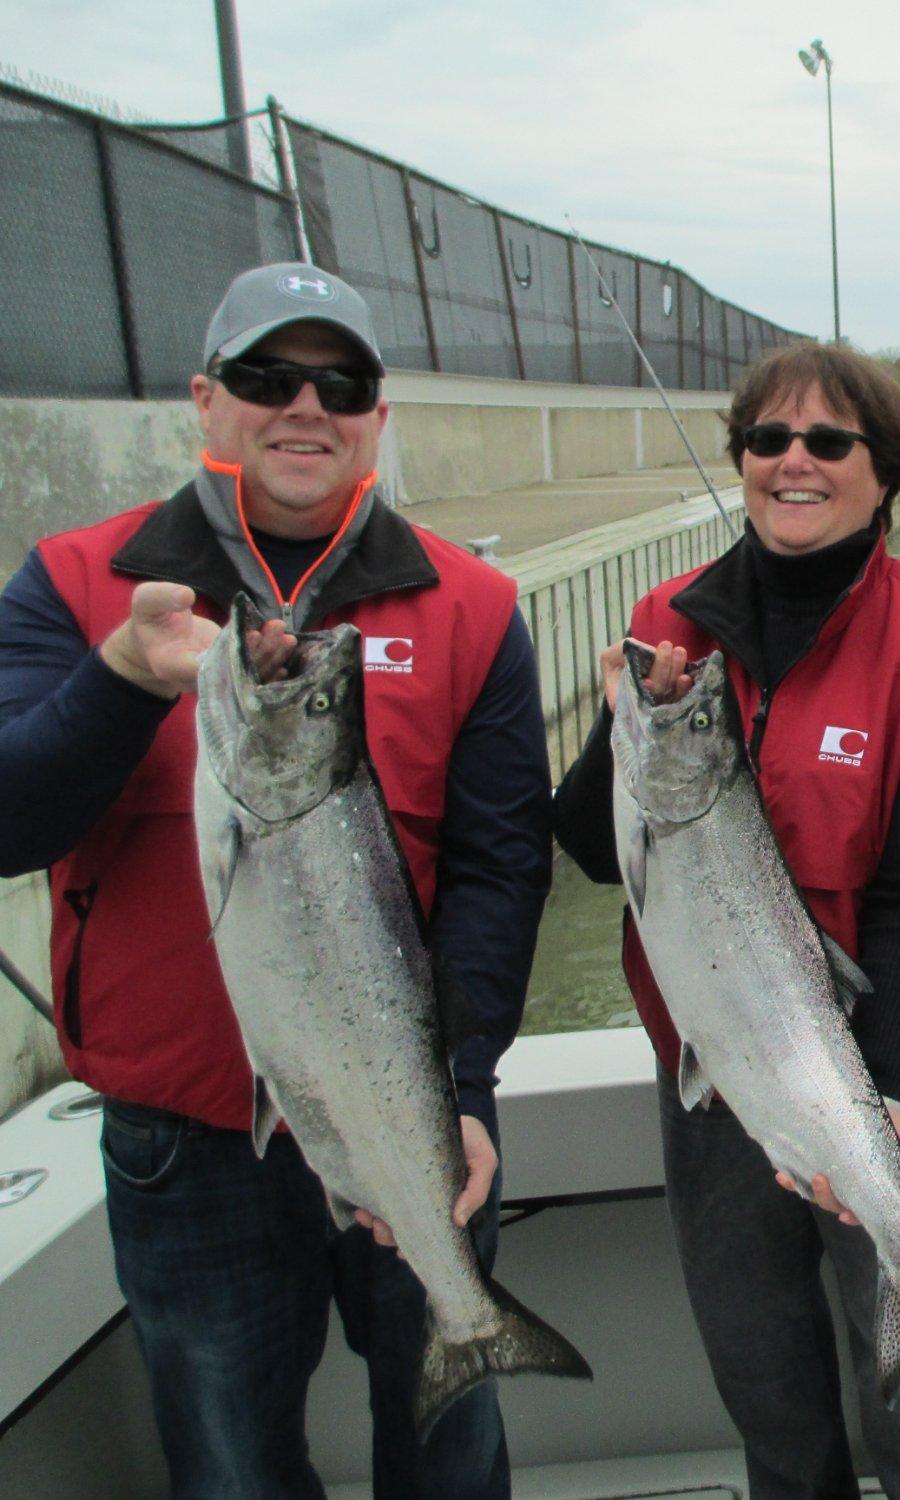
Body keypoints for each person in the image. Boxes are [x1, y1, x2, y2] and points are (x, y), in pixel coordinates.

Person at [0, 262, 551, 1497]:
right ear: (206, 398)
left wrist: (461, 1086)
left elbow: (500, 869)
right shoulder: (73, 580)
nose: (307, 406)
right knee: (232, 1466)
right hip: (185, 1140)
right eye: (268, 376)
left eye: (341, 385)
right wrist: (121, 678)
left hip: (411, 1115)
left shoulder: (473, 607)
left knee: (452, 1459)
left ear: (376, 418)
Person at [551, 341, 900, 1500]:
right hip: (719, 1064)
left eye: (826, 441)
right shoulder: (669, 626)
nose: (792, 461)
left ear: (884, 473)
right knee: (757, 1357)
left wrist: (876, 1097)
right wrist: (622, 729)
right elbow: (591, 852)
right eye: (767, 439)